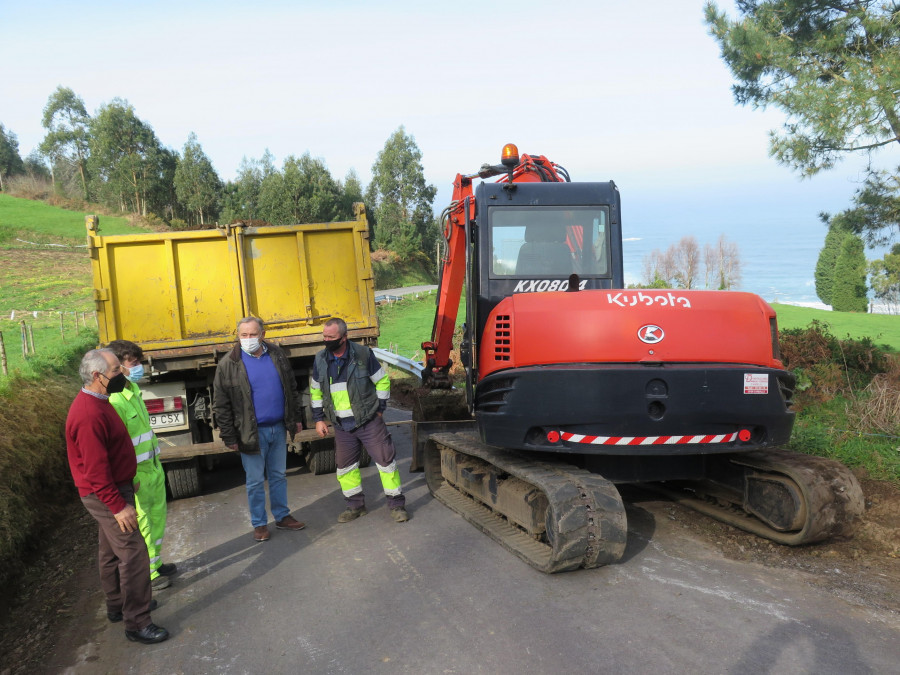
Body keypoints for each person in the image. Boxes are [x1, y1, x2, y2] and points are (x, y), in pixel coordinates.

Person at [65, 348, 169, 644]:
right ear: (97, 376)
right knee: (134, 553)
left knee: (109, 550)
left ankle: (116, 606)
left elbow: (110, 454)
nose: (122, 373)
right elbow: (95, 470)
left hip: (114, 486)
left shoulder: (98, 400)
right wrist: (118, 506)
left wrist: (128, 479)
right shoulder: (88, 414)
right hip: (104, 493)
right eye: (115, 370)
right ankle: (137, 622)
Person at [213, 317, 306, 542]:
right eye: (243, 335)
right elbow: (221, 404)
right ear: (237, 336)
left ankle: (282, 516)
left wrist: (295, 418)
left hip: (277, 428)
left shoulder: (276, 355)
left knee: (278, 476)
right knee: (255, 481)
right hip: (250, 433)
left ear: (262, 334)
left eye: (252, 334)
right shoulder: (228, 364)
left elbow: (291, 388)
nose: (248, 339)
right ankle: (260, 524)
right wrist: (229, 435)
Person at [311, 318, 409, 523]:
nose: (327, 340)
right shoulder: (320, 359)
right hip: (341, 426)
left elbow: (382, 380)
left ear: (344, 337)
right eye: (324, 336)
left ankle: (397, 506)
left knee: (386, 463)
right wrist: (319, 419)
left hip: (368, 421)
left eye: (331, 337)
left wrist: (380, 409)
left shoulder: (363, 355)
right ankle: (355, 506)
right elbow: (315, 390)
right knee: (345, 468)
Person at [106, 340, 176, 592]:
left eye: (137, 361)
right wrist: (128, 477)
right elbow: (118, 447)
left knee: (157, 518)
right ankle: (148, 573)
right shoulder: (115, 400)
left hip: (151, 468)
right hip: (136, 474)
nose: (137, 367)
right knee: (143, 523)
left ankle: (155, 563)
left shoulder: (132, 389)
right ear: (116, 366)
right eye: (132, 363)